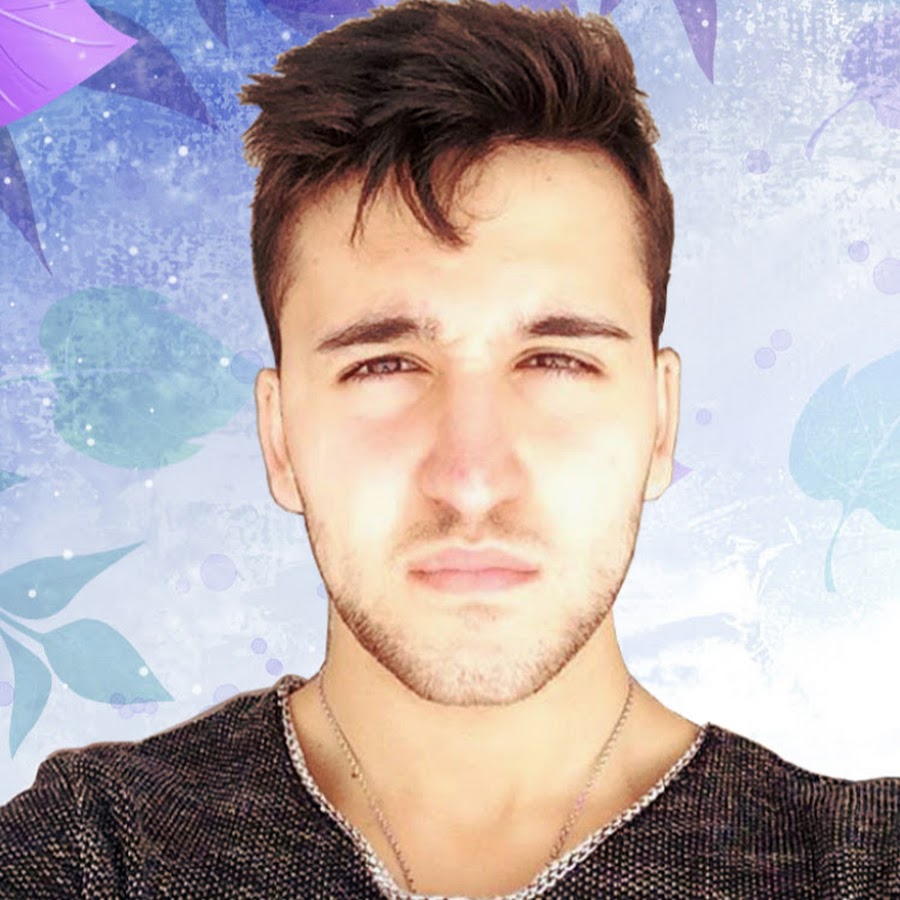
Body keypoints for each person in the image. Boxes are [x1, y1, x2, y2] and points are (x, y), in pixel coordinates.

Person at [1, 0, 898, 897]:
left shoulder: (861, 868)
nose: (471, 480)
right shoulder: (91, 855)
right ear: (279, 440)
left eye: (556, 360)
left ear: (660, 424)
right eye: (384, 365)